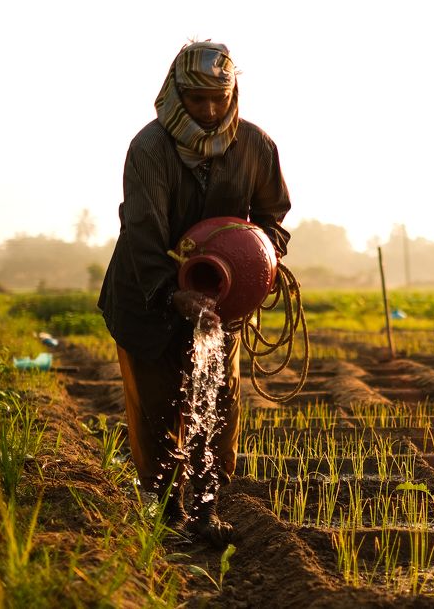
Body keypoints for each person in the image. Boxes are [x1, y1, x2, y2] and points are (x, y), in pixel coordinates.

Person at [98, 41, 291, 545]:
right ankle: (165, 514)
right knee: (159, 410)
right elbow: (142, 232)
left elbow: (272, 218)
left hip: (220, 300)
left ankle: (206, 510)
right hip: (148, 296)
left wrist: (262, 257)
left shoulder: (255, 146)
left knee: (218, 403)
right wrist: (171, 293)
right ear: (176, 94)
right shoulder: (150, 150)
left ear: (233, 95)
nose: (208, 111)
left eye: (218, 99)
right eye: (196, 99)